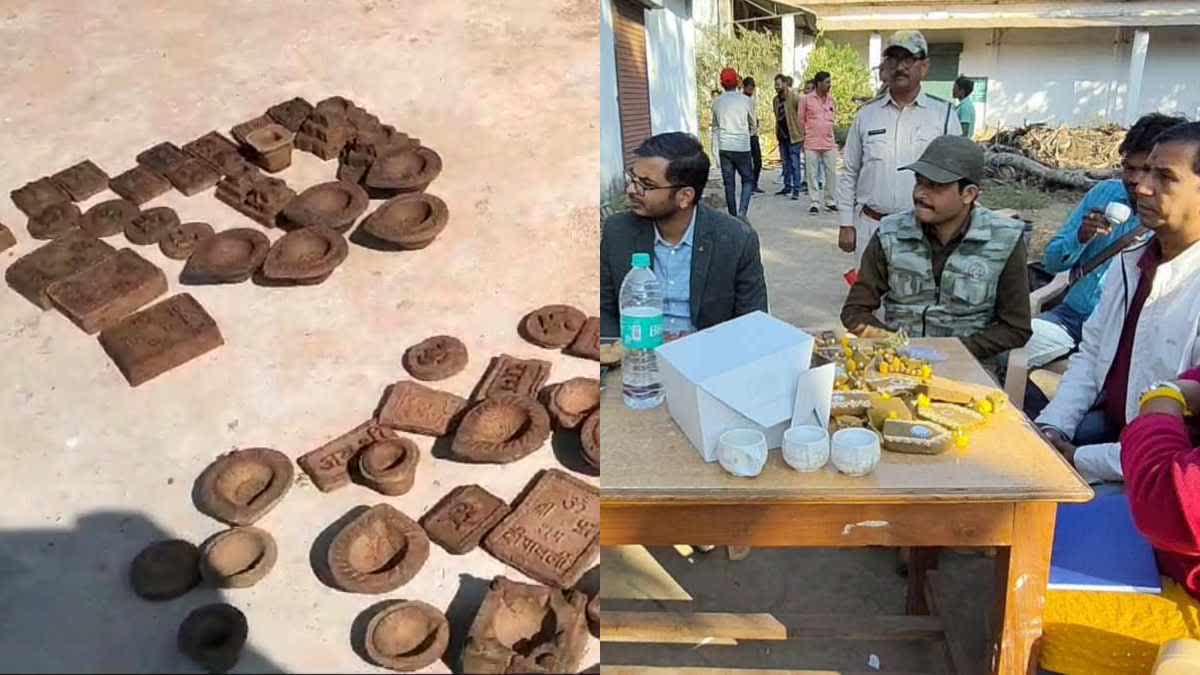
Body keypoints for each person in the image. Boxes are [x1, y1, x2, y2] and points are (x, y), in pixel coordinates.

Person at [1036, 121, 1200, 483]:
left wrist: (1081, 458)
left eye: (1164, 177)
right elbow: (1093, 353)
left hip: (1164, 474)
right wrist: (1053, 427)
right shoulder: (1133, 261)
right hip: (1112, 435)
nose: (1142, 187)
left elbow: (1185, 449)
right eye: (1140, 171)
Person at [840, 135, 1031, 366]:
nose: (921, 193)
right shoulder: (890, 233)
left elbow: (1015, 328)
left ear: (968, 194)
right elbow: (855, 311)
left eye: (935, 186)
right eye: (919, 181)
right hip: (898, 363)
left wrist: (949, 353)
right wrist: (895, 345)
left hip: (969, 368)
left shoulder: (1004, 239)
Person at [1023, 113, 1187, 373]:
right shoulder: (1104, 194)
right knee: (1011, 351)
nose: (1137, 181)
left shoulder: (1174, 221)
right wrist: (1081, 237)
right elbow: (1052, 261)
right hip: (1071, 318)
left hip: (1124, 335)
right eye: (1129, 168)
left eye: (1148, 171)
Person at [600, 132, 769, 342]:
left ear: (685, 197)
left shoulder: (736, 240)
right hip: (636, 358)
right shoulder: (618, 232)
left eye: (646, 185)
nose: (632, 189)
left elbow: (753, 322)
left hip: (707, 362)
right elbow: (603, 310)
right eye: (632, 178)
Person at [837, 30, 960, 267]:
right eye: (893, 59)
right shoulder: (866, 115)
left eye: (908, 59)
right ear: (885, 66)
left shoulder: (943, 115)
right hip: (871, 227)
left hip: (923, 230)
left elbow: (956, 176)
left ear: (924, 66)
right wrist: (846, 223)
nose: (900, 67)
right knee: (868, 300)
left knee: (917, 300)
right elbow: (850, 171)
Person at [711, 67, 757, 219]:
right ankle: (742, 212)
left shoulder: (716, 103)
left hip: (725, 147)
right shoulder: (746, 101)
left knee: (729, 184)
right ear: (738, 82)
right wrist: (747, 134)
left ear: (721, 83)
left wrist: (715, 150)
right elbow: (753, 124)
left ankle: (732, 216)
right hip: (742, 146)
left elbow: (715, 127)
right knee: (748, 180)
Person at [800, 71, 839, 215]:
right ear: (819, 83)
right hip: (811, 142)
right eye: (827, 82)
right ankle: (814, 202)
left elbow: (833, 117)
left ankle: (830, 201)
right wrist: (805, 135)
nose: (830, 85)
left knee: (831, 173)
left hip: (829, 142)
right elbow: (800, 120)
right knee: (811, 174)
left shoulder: (831, 100)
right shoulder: (806, 99)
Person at [772, 75, 800, 197]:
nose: (776, 87)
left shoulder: (794, 97)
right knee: (785, 163)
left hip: (794, 135)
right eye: (775, 84)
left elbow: (801, 113)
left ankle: (796, 189)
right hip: (782, 136)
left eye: (778, 84)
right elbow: (777, 117)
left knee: (794, 163)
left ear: (785, 84)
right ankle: (787, 186)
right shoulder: (776, 100)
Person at [743, 77, 764, 194]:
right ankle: (748, 185)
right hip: (745, 134)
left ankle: (754, 184)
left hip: (753, 134)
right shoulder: (742, 100)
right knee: (747, 162)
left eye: (753, 87)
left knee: (758, 161)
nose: (751, 89)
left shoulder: (752, 100)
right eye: (749, 87)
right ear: (745, 87)